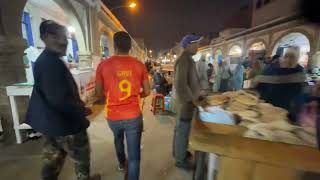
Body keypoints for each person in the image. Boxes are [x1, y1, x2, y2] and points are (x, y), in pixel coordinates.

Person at [26, 20, 99, 180]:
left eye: (65, 37)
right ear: (46, 38)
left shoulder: (48, 59)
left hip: (52, 124)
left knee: (52, 162)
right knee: (81, 158)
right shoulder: (49, 63)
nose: (64, 41)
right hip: (67, 125)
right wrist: (82, 111)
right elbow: (58, 99)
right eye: (58, 37)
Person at [95, 31, 151, 180]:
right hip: (133, 116)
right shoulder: (139, 65)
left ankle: (121, 164)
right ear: (130, 47)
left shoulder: (103, 65)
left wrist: (111, 95)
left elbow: (98, 93)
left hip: (113, 116)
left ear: (114, 45)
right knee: (134, 158)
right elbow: (147, 90)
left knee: (117, 139)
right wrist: (136, 96)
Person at [173, 34, 202, 170]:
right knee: (183, 131)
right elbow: (181, 84)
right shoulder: (184, 59)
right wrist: (192, 99)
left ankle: (178, 152)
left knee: (180, 130)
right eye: (196, 44)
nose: (198, 46)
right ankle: (180, 159)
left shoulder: (187, 59)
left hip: (187, 102)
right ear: (189, 44)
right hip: (185, 103)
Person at [255, 48, 307, 122]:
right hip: (270, 104)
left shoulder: (299, 72)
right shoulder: (274, 67)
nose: (288, 60)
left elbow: (300, 94)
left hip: (285, 108)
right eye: (287, 56)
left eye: (292, 57)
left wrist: (294, 112)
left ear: (296, 59)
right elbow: (262, 81)